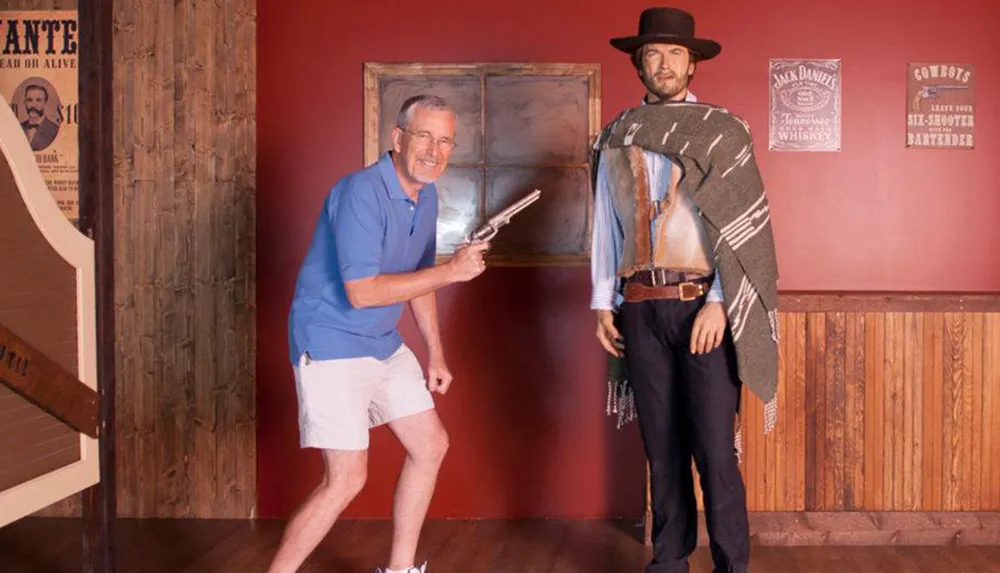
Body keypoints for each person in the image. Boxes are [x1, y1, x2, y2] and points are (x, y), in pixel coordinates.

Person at [591, 7, 780, 573]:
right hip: (639, 310)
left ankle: (732, 566)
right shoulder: (616, 135)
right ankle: (668, 562)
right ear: (639, 64)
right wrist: (604, 302)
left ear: (692, 63)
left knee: (715, 452)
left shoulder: (723, 132)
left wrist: (721, 300)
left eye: (675, 53)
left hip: (702, 306)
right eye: (653, 54)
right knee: (661, 446)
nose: (664, 63)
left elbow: (742, 226)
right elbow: (606, 224)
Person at [268, 94, 490, 573]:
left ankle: (399, 570)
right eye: (425, 136)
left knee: (430, 445)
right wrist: (453, 272)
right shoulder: (359, 192)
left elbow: (420, 275)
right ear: (397, 138)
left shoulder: (425, 194)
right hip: (329, 343)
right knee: (346, 479)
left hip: (382, 344)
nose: (434, 150)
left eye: (445, 140)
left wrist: (435, 353)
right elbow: (363, 293)